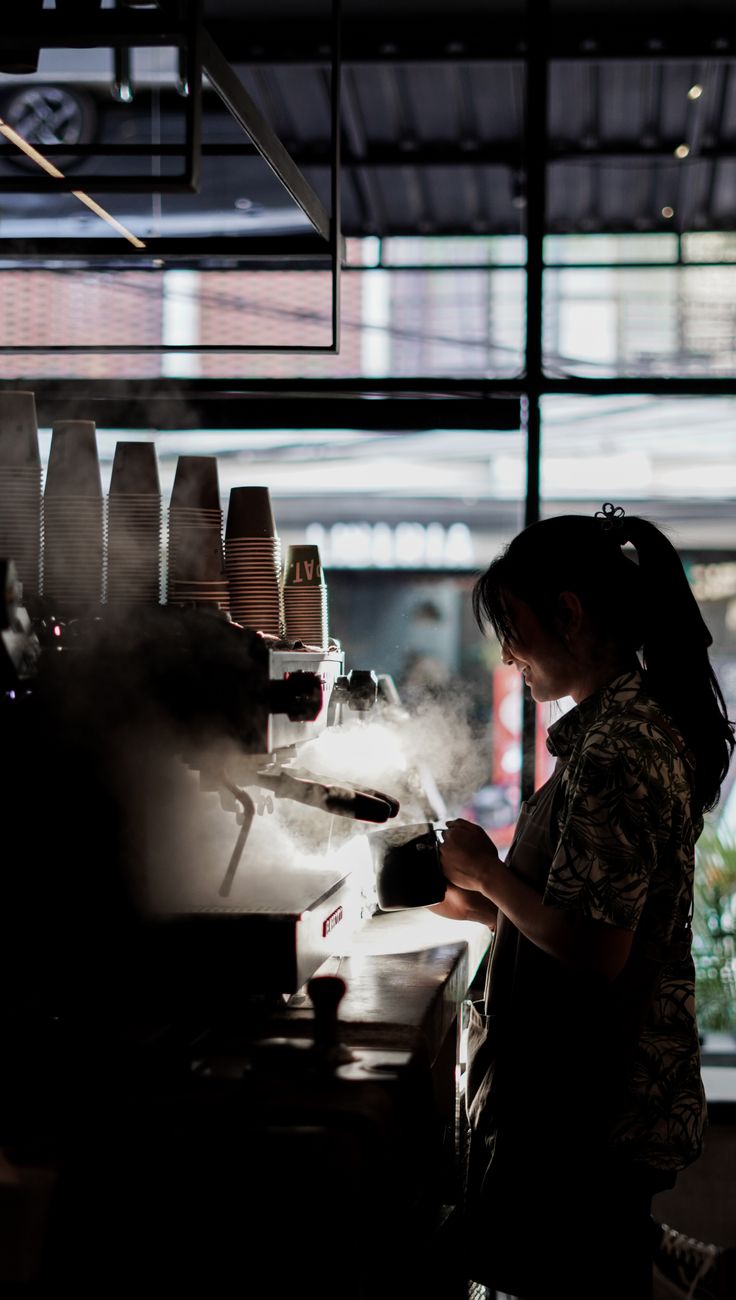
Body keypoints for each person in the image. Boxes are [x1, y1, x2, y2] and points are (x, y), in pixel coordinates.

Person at [433, 504, 734, 1300]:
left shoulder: (617, 749)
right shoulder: (623, 728)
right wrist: (488, 908)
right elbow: (590, 914)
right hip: (603, 1094)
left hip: (599, 1105)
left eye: (516, 626)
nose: (508, 654)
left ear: (567, 615)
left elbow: (598, 951)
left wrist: (488, 872)